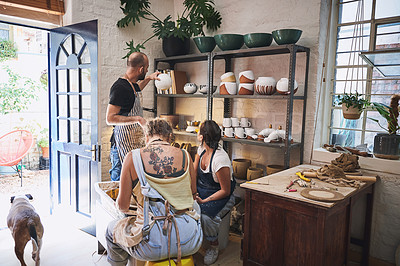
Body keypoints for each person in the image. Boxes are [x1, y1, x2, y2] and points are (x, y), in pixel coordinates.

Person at [105, 118, 202, 265]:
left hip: (151, 244)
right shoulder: (186, 156)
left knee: (111, 230)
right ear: (170, 137)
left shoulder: (132, 157)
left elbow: (123, 206)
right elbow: (193, 194)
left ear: (146, 137)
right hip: (189, 239)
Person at [106, 52, 160, 181]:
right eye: (147, 68)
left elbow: (135, 91)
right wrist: (137, 119)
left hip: (132, 143)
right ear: (141, 69)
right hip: (120, 145)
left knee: (132, 182)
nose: (147, 70)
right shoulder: (119, 87)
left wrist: (149, 78)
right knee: (119, 185)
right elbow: (110, 118)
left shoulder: (130, 85)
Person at [193, 120, 236, 265]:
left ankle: (213, 246)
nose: (197, 133)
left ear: (202, 136)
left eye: (199, 131)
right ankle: (192, 243)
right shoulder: (201, 150)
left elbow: (226, 190)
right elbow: (194, 173)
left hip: (221, 194)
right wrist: (192, 193)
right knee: (185, 207)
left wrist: (205, 201)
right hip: (202, 189)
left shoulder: (220, 159)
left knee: (205, 216)